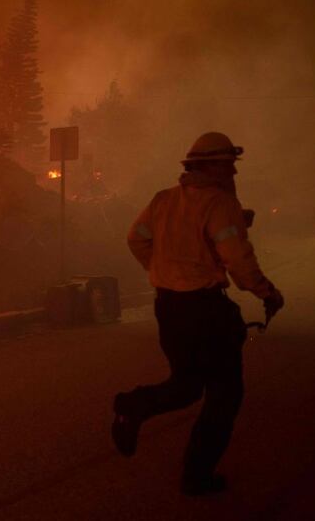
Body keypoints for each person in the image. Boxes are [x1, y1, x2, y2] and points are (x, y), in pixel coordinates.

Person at [112, 132, 285, 496]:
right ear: (212, 166)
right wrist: (267, 292)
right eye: (229, 166)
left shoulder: (163, 200)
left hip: (169, 307)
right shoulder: (219, 204)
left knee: (187, 385)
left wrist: (162, 270)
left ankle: (134, 406)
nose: (234, 173)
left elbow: (136, 238)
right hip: (205, 310)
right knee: (225, 394)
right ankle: (197, 476)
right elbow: (237, 259)